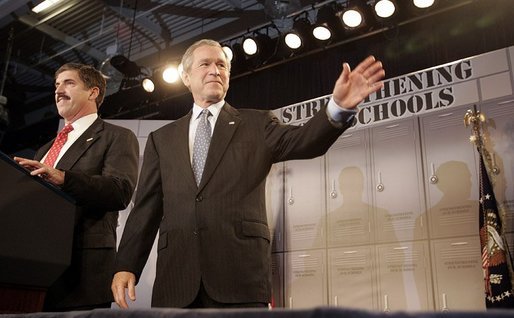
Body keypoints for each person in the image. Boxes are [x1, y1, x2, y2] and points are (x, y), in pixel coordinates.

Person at [112, 39, 385, 309]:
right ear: (185, 76)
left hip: (239, 277)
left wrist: (338, 109)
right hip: (177, 280)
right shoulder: (162, 139)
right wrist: (126, 264)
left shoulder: (257, 123)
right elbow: (146, 207)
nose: (215, 71)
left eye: (221, 65)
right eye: (205, 64)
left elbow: (305, 140)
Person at [14, 63, 139, 311]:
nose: (59, 90)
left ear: (93, 92)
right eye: (56, 85)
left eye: (68, 83)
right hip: (34, 270)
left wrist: (64, 178)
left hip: (81, 276)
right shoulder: (45, 149)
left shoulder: (117, 136)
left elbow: (120, 190)